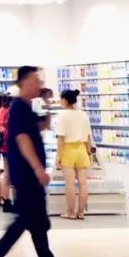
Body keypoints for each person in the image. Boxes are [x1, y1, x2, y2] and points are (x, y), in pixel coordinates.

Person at [0, 66, 73, 257]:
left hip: (29, 174)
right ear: (23, 82)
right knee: (26, 218)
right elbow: (23, 139)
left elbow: (41, 128)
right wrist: (38, 168)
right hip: (26, 175)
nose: (39, 84)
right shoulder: (18, 108)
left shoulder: (27, 107)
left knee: (38, 220)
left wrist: (47, 107)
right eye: (35, 81)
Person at [56, 89, 94, 220]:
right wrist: (89, 153)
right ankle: (81, 212)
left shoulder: (63, 116)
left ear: (65, 100)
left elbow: (61, 138)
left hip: (68, 150)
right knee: (83, 184)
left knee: (70, 184)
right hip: (81, 150)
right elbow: (88, 137)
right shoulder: (83, 115)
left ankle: (70, 212)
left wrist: (58, 156)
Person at [0, 96, 14, 212]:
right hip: (11, 146)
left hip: (4, 146)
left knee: (7, 173)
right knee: (11, 174)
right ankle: (9, 201)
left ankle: (6, 200)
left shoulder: (0, 110)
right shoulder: (10, 111)